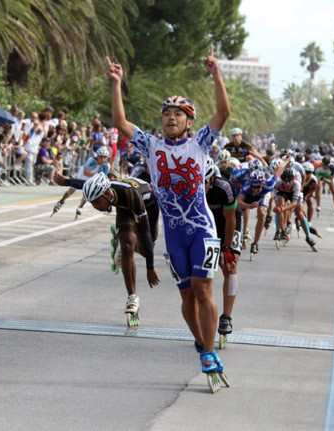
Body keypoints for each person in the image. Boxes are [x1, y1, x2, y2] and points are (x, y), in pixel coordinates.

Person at [107, 49, 231, 388]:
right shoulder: (150, 146)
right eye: (166, 114)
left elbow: (223, 112)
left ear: (189, 121)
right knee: (187, 297)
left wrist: (216, 73)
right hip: (174, 236)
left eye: (178, 114)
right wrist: (116, 83)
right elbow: (120, 123)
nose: (171, 118)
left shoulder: (201, 143)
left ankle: (207, 351)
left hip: (202, 230)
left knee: (204, 290)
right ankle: (202, 343)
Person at [57, 172, 160, 327]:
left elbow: (145, 233)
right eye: (92, 203)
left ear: (106, 193)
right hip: (123, 208)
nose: (96, 207)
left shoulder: (130, 195)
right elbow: (82, 184)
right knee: (127, 245)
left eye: (97, 202)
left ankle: (128, 247)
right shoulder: (104, 191)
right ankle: (132, 298)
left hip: (147, 206)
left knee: (146, 249)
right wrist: (65, 181)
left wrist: (150, 267)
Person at [203, 158, 241, 347]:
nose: (203, 187)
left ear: (212, 178)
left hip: (229, 224)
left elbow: (231, 219)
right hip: (208, 227)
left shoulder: (223, 187)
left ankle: (226, 316)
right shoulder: (192, 186)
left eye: (205, 183)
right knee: (204, 272)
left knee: (229, 267)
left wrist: (226, 248)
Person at [51, 145, 111, 218]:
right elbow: (86, 172)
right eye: (101, 157)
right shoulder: (92, 160)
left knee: (88, 191)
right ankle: (61, 201)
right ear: (97, 156)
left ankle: (80, 206)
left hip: (92, 178)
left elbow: (103, 177)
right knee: (71, 190)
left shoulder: (106, 166)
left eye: (104, 157)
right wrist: (96, 177)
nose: (102, 159)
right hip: (82, 175)